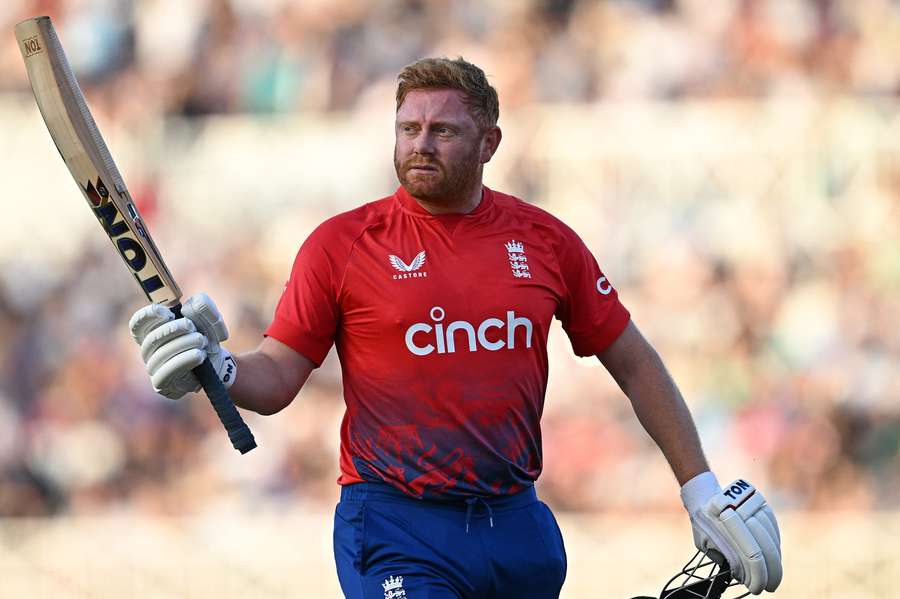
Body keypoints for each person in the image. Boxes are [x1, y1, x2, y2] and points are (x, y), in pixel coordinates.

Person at [128, 57, 782, 599]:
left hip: (518, 524)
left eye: (442, 130)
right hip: (394, 522)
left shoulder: (546, 241)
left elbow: (635, 362)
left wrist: (699, 490)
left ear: (489, 142)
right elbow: (276, 378)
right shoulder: (342, 244)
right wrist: (217, 366)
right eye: (408, 127)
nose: (419, 144)